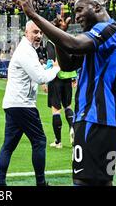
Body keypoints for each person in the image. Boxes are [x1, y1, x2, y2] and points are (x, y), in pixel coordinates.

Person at [16, 0, 116, 186]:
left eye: (79, 10)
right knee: (103, 182)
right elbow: (69, 63)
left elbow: (74, 45)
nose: (76, 17)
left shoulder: (109, 29)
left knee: (83, 181)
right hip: (109, 122)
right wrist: (59, 34)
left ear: (96, 7)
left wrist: (34, 16)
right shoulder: (109, 35)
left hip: (95, 118)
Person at [0, 21, 60, 186]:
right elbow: (40, 78)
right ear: (26, 33)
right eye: (35, 32)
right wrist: (57, 68)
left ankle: (0, 183)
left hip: (13, 104)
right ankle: (41, 183)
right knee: (39, 141)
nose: (39, 35)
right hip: (22, 105)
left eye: (40, 32)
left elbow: (37, 74)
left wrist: (46, 68)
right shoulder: (26, 51)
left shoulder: (27, 50)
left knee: (8, 145)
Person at [45, 21, 76, 149]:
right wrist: (74, 76)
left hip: (56, 78)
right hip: (68, 77)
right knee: (68, 106)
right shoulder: (68, 40)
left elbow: (51, 61)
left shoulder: (51, 41)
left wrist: (46, 78)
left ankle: (58, 141)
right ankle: (73, 127)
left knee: (55, 110)